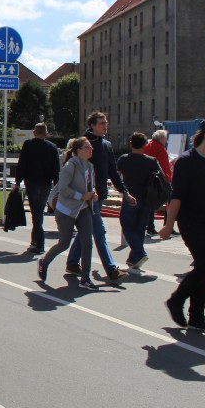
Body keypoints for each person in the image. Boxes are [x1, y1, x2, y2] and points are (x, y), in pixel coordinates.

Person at [160, 118, 205, 334]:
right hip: (191, 222)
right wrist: (168, 225)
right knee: (204, 266)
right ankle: (176, 300)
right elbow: (177, 196)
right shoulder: (186, 161)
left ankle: (196, 317)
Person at [65, 112, 133, 283]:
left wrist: (124, 191)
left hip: (99, 194)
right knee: (99, 232)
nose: (105, 125)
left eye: (106, 122)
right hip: (85, 195)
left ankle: (72, 262)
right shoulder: (83, 144)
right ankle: (111, 270)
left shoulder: (107, 145)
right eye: (102, 123)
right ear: (92, 125)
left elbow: (112, 171)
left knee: (86, 229)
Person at [38, 138, 97, 289]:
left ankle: (85, 278)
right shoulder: (70, 165)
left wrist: (92, 194)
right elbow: (63, 189)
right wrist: (80, 196)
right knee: (64, 243)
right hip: (66, 210)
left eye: (91, 147)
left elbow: (88, 187)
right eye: (87, 147)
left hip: (83, 209)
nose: (90, 149)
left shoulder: (90, 166)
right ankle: (44, 262)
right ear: (78, 150)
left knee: (87, 242)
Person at [116, 132, 163, 271]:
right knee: (140, 229)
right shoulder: (152, 161)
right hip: (147, 198)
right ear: (145, 145)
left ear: (131, 144)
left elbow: (116, 174)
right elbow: (161, 177)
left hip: (130, 196)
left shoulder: (124, 159)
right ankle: (134, 258)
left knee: (127, 226)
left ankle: (140, 253)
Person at [14, 122, 60, 255]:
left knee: (36, 214)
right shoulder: (52, 147)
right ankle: (35, 241)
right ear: (46, 134)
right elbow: (56, 170)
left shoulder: (28, 145)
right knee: (39, 213)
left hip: (32, 183)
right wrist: (56, 186)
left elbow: (22, 164)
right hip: (46, 184)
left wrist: (18, 181)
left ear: (34, 133)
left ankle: (39, 243)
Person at [143, 129, 172, 235]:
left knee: (149, 203)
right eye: (165, 138)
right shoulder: (161, 149)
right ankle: (167, 225)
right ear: (161, 138)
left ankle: (149, 225)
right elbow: (164, 166)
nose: (167, 140)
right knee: (168, 201)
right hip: (157, 180)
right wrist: (168, 180)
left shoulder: (147, 146)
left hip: (147, 179)